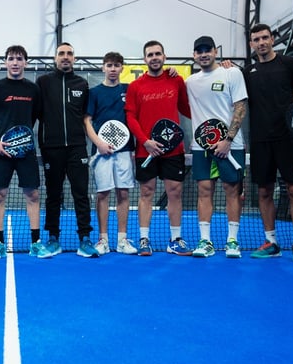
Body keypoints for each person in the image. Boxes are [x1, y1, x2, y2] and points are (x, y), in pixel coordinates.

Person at [242, 23, 293, 263]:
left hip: (287, 138)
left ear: (273, 39)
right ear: (252, 44)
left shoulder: (290, 64)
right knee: (264, 191)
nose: (261, 42)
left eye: (265, 37)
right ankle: (271, 241)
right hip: (260, 139)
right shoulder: (246, 72)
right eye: (256, 39)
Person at [0, 45, 50, 259]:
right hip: (2, 153)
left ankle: (36, 243)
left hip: (26, 153)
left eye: (19, 58)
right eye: (11, 58)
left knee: (33, 195)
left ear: (26, 62)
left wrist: (24, 141)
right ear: (5, 62)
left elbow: (37, 116)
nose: (15, 62)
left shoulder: (33, 89)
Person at [124, 40, 191, 256]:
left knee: (175, 192)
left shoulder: (176, 80)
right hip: (146, 150)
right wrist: (145, 141)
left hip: (173, 150)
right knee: (146, 192)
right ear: (145, 59)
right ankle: (144, 239)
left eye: (158, 54)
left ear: (164, 56)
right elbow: (130, 117)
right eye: (150, 54)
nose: (154, 57)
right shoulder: (136, 86)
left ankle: (175, 239)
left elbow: (187, 109)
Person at [185, 36, 247, 259]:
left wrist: (228, 140)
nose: (203, 54)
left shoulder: (232, 73)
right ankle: (205, 241)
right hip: (201, 147)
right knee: (204, 191)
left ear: (215, 51)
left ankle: (232, 241)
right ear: (194, 55)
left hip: (231, 145)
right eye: (199, 51)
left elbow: (240, 107)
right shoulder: (190, 82)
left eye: (207, 50)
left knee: (232, 191)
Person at [36, 42, 98, 258]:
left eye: (69, 54)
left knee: (80, 194)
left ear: (74, 58)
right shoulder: (42, 82)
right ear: (55, 58)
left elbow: (86, 118)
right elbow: (33, 114)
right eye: (61, 53)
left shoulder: (82, 84)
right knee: (53, 195)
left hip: (77, 148)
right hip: (51, 148)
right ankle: (53, 239)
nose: (65, 57)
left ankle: (85, 239)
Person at [83, 51, 138, 256]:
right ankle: (103, 240)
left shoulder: (129, 90)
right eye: (109, 65)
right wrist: (99, 143)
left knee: (123, 193)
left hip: (124, 151)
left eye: (116, 65)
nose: (113, 69)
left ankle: (122, 240)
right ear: (103, 67)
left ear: (122, 68)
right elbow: (87, 121)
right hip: (102, 152)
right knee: (103, 194)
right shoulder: (95, 92)